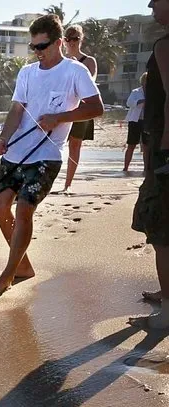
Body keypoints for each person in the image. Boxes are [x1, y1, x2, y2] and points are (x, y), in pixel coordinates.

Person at [0, 14, 103, 296]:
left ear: (59, 42)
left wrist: (59, 117)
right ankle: (22, 265)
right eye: (33, 47)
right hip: (16, 152)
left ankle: (7, 276)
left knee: (24, 210)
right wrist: (2, 138)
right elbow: (16, 111)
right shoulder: (27, 73)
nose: (37, 53)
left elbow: (96, 108)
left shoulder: (75, 72)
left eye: (42, 46)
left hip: (47, 154)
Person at [129, 0, 169, 329]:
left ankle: (167, 311)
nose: (150, 4)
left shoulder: (164, 45)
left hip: (166, 149)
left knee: (161, 228)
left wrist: (165, 151)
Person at [59, 24, 98, 194]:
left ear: (81, 39)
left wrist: (77, 68)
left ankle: (67, 184)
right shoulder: (60, 61)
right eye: (68, 39)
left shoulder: (88, 61)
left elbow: (90, 84)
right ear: (63, 41)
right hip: (63, 108)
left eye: (75, 38)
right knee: (51, 142)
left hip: (81, 109)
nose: (71, 42)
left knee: (75, 145)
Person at [124, 72, 148, 171]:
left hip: (147, 121)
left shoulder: (154, 92)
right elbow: (129, 103)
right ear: (143, 82)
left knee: (146, 146)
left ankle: (146, 168)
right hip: (135, 121)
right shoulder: (136, 92)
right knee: (131, 145)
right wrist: (141, 101)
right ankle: (125, 167)